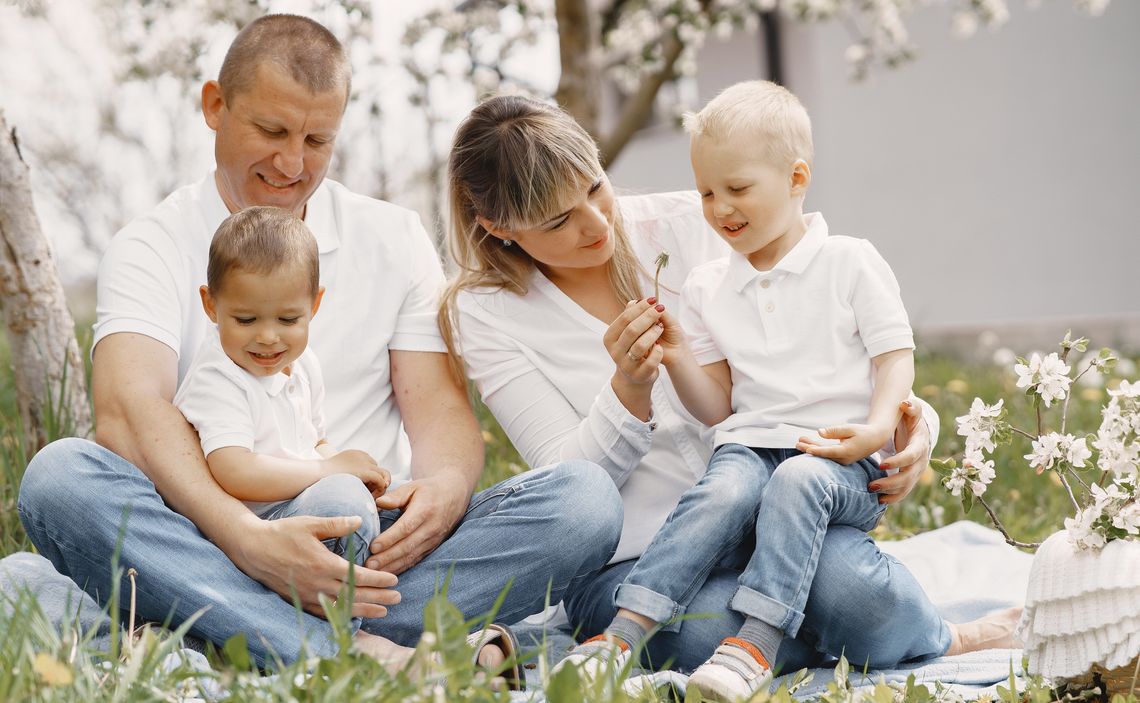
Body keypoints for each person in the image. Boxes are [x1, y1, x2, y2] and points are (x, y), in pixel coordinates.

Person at [17, 15, 622, 674]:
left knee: (584, 502)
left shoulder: (392, 236)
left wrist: (443, 490)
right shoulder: (152, 244)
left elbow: (441, 412)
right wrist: (249, 541)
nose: (291, 164)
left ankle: (219, 632)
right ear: (215, 106)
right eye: (271, 132)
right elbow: (129, 415)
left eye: (316, 140)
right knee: (60, 479)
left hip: (377, 554)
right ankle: (364, 652)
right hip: (210, 537)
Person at [440, 94, 1020, 681]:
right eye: (557, 221)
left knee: (855, 595)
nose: (595, 223)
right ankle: (772, 633)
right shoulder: (485, 313)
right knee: (717, 633)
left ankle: (936, 636)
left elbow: (837, 342)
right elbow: (571, 492)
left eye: (595, 188)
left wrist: (909, 426)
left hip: (779, 512)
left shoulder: (698, 220)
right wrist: (628, 392)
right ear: (499, 228)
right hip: (635, 561)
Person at [561, 80, 924, 701]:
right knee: (722, 489)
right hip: (750, 446)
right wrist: (677, 356)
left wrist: (876, 428)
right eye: (706, 192)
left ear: (796, 178)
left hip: (841, 457)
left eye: (737, 189)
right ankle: (620, 637)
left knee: (798, 480)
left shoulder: (850, 261)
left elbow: (895, 358)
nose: (719, 207)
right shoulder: (707, 286)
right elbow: (717, 408)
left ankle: (755, 645)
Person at [174, 206, 387, 569]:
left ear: (314, 305)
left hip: (301, 498)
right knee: (343, 503)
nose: (268, 337)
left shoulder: (303, 364)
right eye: (246, 319)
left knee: (400, 498)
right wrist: (330, 471)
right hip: (253, 528)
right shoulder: (218, 377)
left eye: (288, 319)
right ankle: (346, 587)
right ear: (211, 305)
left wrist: (352, 468)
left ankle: (374, 573)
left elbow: (314, 442)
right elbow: (235, 470)